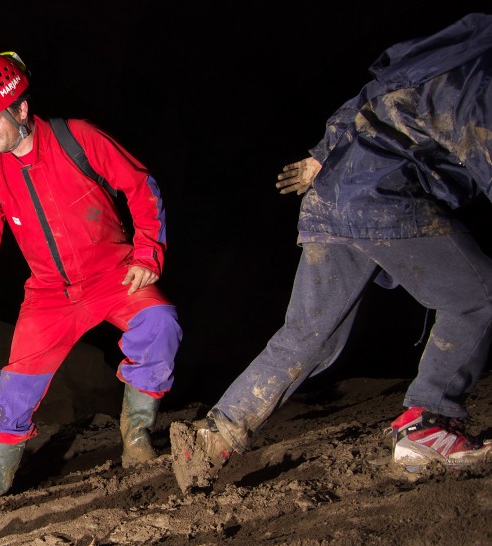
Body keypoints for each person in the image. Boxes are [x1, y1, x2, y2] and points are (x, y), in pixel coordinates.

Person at [170, 13, 492, 493]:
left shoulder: (452, 52)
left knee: (308, 334)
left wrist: (323, 153)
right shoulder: (482, 76)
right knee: (477, 297)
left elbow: (369, 95)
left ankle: (215, 436)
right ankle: (430, 422)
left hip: (332, 194)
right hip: (381, 197)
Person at [0, 52, 181, 508]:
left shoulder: (78, 138)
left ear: (20, 109)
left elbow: (141, 186)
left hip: (114, 274)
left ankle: (136, 438)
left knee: (160, 323)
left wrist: (148, 252)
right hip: (50, 295)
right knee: (14, 388)